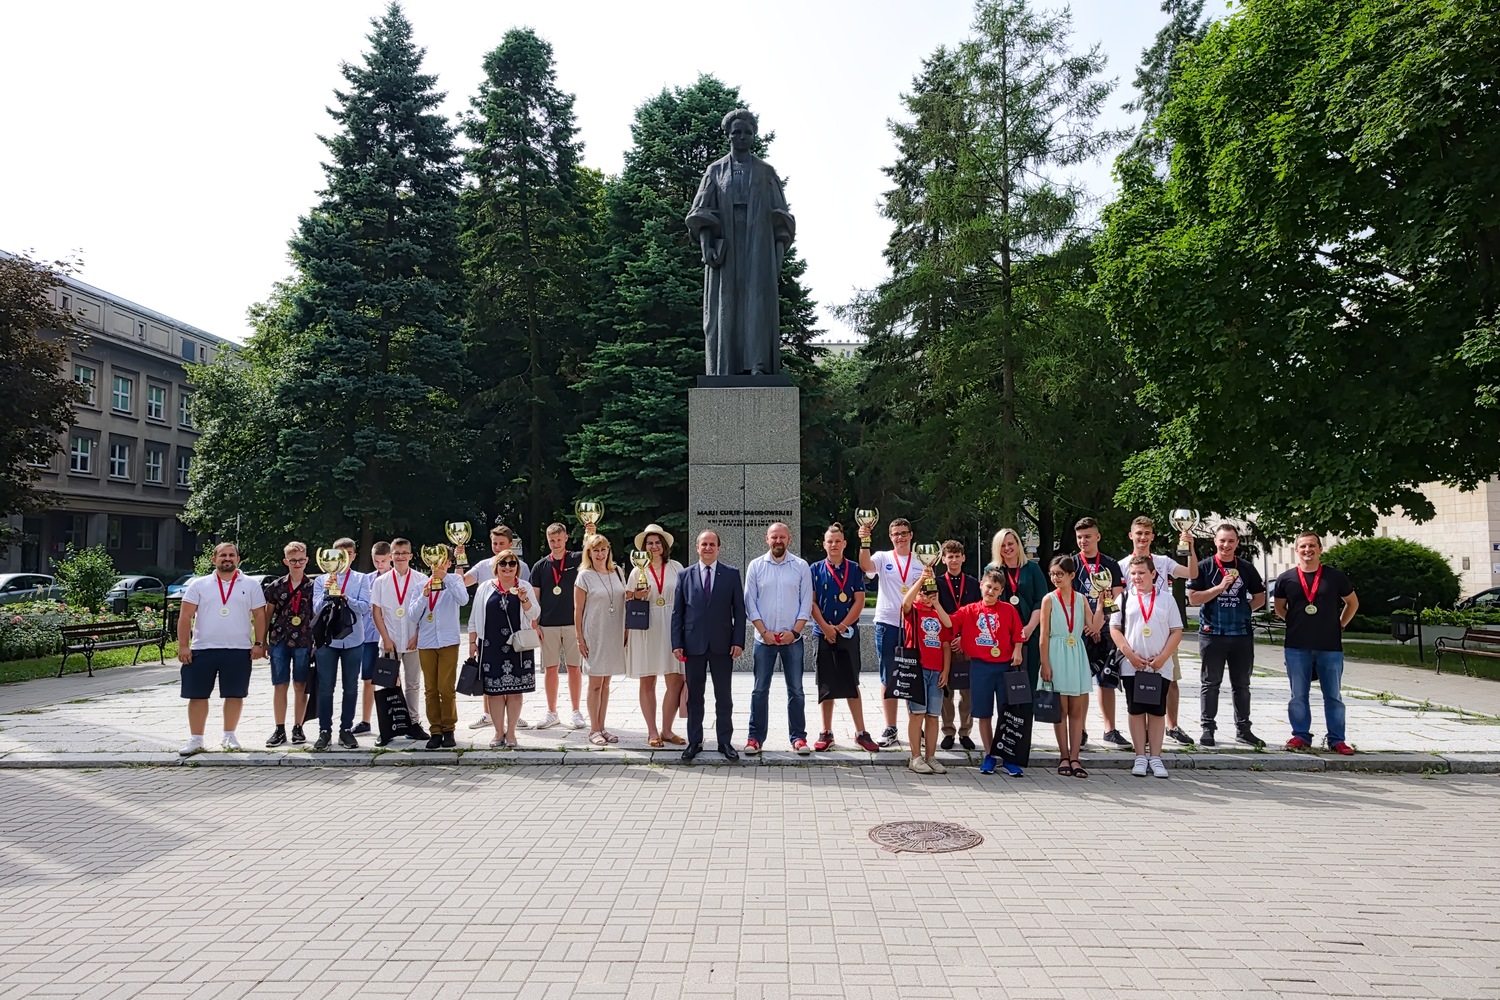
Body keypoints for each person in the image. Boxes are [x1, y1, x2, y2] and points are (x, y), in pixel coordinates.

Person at [684, 107, 796, 377]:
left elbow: (781, 218)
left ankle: (758, 365)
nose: (742, 137)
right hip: (727, 247)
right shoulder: (715, 171)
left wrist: (777, 257)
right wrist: (706, 246)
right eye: (737, 132)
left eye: (748, 132)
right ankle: (725, 366)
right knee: (726, 303)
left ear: (754, 135)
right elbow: (700, 212)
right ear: (728, 136)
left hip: (759, 245)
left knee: (756, 302)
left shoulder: (765, 172)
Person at [176, 542, 268, 755]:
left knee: (234, 694)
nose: (227, 559)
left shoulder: (251, 584)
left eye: (232, 555)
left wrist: (258, 643)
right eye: (223, 555)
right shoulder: (199, 584)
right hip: (202, 648)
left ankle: (229, 735)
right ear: (214, 559)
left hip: (238, 649)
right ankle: (196, 739)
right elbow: (185, 616)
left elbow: (260, 615)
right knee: (197, 695)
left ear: (238, 559)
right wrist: (183, 645)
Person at [1273, 532, 1359, 755]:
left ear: (1320, 549)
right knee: (1298, 695)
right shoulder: (1286, 579)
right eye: (1303, 546)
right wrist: (1295, 622)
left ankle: (1337, 739)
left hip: (1329, 646)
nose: (1307, 550)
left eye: (1312, 546)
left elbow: (1352, 603)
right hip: (1296, 645)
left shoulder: (1335, 577)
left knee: (1333, 696)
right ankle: (1300, 736)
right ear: (1296, 550)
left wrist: (1340, 625)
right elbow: (1280, 608)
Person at [1188, 523, 1267, 747]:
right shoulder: (1204, 567)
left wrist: (1242, 611)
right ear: (1215, 541)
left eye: (1231, 541)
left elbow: (1259, 598)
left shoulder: (1246, 568)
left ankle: (1244, 730)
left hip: (1241, 634)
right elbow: (1193, 599)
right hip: (1212, 633)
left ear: (1237, 543)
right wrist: (1219, 588)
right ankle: (1207, 729)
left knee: (1242, 684)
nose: (1226, 545)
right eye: (1222, 540)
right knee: (1210, 683)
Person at [671, 529, 746, 761]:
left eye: (712, 544)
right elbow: (678, 613)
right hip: (693, 645)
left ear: (719, 548)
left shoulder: (731, 575)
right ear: (697, 547)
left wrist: (738, 641)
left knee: (724, 696)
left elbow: (740, 612)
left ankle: (725, 742)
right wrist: (677, 643)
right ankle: (694, 741)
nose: (708, 548)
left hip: (723, 645)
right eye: (704, 544)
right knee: (695, 697)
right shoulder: (685, 575)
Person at [1122, 516, 1198, 745]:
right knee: (1135, 683)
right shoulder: (1123, 564)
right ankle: (1141, 731)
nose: (1142, 538)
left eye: (1147, 533)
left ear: (1152, 536)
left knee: (1170, 680)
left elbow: (1192, 573)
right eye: (1139, 533)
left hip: (1163, 631)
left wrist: (1191, 547)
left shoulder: (1163, 562)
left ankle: (1171, 725)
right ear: (1131, 536)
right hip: (1134, 631)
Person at [1111, 555, 1186, 778]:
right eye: (1133, 573)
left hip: (1159, 666)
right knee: (1135, 710)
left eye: (1142, 573)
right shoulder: (1123, 599)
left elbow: (1176, 630)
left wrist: (1164, 657)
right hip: (1132, 665)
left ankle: (1156, 756)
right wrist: (1129, 654)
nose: (1137, 577)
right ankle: (1139, 756)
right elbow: (1115, 629)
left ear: (1153, 574)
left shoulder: (1166, 599)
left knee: (1156, 711)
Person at [807, 523, 879, 752]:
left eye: (838, 541)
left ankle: (861, 732)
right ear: (824, 544)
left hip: (847, 633)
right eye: (830, 541)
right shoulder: (815, 569)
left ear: (844, 543)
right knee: (826, 684)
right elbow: (812, 602)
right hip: (822, 633)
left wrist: (841, 626)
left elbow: (859, 600)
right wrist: (826, 628)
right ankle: (826, 732)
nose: (834, 545)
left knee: (851, 682)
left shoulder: (855, 569)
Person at [744, 521, 813, 754]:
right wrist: (764, 632)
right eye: (774, 537)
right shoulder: (755, 566)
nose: (778, 541)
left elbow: (806, 603)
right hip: (764, 640)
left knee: (796, 690)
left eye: (782, 537)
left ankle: (798, 738)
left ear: (789, 539)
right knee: (759, 690)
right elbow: (749, 603)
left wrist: (794, 632)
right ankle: (755, 738)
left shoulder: (801, 566)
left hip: (792, 640)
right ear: (767, 539)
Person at [950, 569, 1025, 775]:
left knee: (1006, 712)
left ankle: (1008, 756)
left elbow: (1018, 633)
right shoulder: (969, 610)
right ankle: (990, 754)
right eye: (988, 587)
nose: (991, 591)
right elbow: (949, 623)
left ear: (1001, 591)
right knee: (983, 713)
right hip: (980, 666)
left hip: (1004, 667)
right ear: (981, 585)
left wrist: (1017, 651)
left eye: (996, 589)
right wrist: (935, 605)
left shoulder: (1008, 610)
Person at [986, 528, 1048, 770]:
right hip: (1000, 641)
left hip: (1029, 637)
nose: (1008, 548)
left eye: (1011, 543)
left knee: (1024, 694)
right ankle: (999, 747)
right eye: (1003, 545)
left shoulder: (1032, 569)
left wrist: (1028, 629)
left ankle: (1020, 751)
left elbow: (1040, 601)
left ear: (1018, 545)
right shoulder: (992, 571)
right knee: (1003, 696)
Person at [468, 549, 541, 749]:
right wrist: (472, 643)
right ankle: (498, 732)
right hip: (491, 645)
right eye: (503, 563)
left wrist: (525, 599)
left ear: (517, 567)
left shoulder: (523, 586)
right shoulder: (485, 587)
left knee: (516, 692)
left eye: (512, 563)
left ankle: (511, 733)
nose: (508, 567)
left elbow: (535, 614)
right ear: (496, 567)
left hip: (518, 646)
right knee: (494, 692)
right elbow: (474, 618)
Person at [857, 516, 919, 747]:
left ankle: (916, 724)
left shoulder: (922, 559)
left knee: (914, 673)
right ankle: (891, 726)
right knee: (889, 674)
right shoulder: (883, 557)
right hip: (887, 622)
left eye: (904, 533)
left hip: (914, 624)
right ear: (890, 537)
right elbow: (866, 567)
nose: (900, 537)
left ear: (911, 535)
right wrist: (864, 541)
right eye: (896, 534)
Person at [464, 525, 533, 731]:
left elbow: (532, 610)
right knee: (492, 688)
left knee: (515, 689)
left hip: (516, 640)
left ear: (511, 545)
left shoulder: (523, 570)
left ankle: (511, 726)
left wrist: (531, 616)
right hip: (491, 640)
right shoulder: (483, 572)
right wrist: (460, 560)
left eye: (501, 544)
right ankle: (493, 722)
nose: (507, 565)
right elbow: (462, 584)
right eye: (494, 543)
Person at [623, 524, 686, 747]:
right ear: (644, 547)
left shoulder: (676, 567)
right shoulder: (636, 570)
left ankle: (667, 729)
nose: (654, 546)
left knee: (675, 680)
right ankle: (652, 731)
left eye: (657, 542)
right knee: (647, 680)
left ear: (664, 545)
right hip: (646, 627)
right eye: (649, 543)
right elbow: (628, 599)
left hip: (671, 624)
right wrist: (638, 595)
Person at [1039, 555, 1102, 778]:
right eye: (1052, 574)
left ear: (1071, 575)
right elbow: (1043, 635)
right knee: (1061, 710)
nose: (1055, 578)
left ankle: (1075, 757)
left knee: (1076, 710)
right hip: (1056, 653)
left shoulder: (1082, 599)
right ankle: (1063, 755)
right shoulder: (1049, 599)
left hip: (1076, 654)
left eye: (1060, 574)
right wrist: (1044, 663)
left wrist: (1103, 603)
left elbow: (1094, 626)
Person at [311, 537, 373, 751]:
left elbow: (365, 608)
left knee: (351, 687)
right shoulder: (321, 580)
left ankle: (345, 730)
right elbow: (315, 609)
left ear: (353, 556)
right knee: (326, 687)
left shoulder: (362, 579)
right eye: (338, 555)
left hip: (353, 639)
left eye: (347, 554)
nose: (343, 559)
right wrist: (329, 592)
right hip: (328, 640)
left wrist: (346, 598)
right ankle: (324, 731)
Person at [527, 522, 587, 731]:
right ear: (548, 540)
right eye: (552, 540)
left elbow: (594, 552)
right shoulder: (540, 566)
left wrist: (590, 531)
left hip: (572, 623)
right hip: (548, 625)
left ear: (566, 538)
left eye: (559, 540)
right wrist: (535, 624)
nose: (556, 544)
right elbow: (535, 598)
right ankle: (552, 712)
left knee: (574, 668)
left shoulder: (577, 559)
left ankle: (576, 711)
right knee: (550, 669)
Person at [369, 537, 430, 743]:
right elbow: (376, 612)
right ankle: (386, 728)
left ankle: (413, 723)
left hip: (414, 641)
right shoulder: (381, 581)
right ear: (391, 556)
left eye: (404, 553)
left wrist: (418, 635)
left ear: (411, 556)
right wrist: (385, 638)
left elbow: (427, 611)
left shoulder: (421, 579)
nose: (400, 557)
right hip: (389, 642)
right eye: (396, 553)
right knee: (387, 685)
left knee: (413, 684)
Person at [1073, 517, 1127, 747]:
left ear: (1098, 537)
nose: (1083, 541)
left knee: (1106, 680)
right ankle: (1081, 729)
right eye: (1079, 537)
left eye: (1087, 536)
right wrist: (1088, 624)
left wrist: (1100, 622)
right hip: (1080, 629)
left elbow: (1116, 596)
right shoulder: (1072, 563)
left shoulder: (1110, 564)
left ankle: (1109, 729)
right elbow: (1070, 597)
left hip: (1106, 630)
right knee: (1081, 682)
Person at [413, 547, 469, 749]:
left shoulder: (454, 580)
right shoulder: (420, 584)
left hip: (448, 641)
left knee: (446, 687)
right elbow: (412, 615)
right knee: (430, 688)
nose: (437, 564)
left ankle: (449, 729)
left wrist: (445, 578)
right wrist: (424, 596)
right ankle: (435, 730)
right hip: (427, 642)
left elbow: (463, 600)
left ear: (448, 562)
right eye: (434, 561)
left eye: (442, 561)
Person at [576, 533, 628, 745]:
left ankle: (603, 726)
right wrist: (579, 638)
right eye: (595, 550)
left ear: (609, 550)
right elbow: (578, 609)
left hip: (614, 631)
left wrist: (626, 630)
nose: (600, 553)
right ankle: (593, 730)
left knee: (607, 683)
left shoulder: (617, 571)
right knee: (596, 682)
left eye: (603, 549)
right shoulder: (584, 576)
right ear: (589, 552)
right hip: (594, 632)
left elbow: (625, 599)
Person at [900, 569, 952, 773]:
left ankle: (931, 756)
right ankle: (915, 757)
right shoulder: (913, 610)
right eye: (923, 592)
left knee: (933, 715)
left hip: (936, 671)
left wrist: (946, 671)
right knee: (917, 714)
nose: (927, 596)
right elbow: (905, 602)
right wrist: (921, 579)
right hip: (917, 669)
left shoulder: (939, 613)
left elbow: (946, 643)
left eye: (931, 592)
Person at [262, 541, 314, 747]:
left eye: (301, 560)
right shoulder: (275, 587)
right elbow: (267, 615)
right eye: (293, 560)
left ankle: (298, 727)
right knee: (279, 684)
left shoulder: (314, 586)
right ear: (286, 561)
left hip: (304, 639)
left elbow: (317, 615)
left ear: (307, 560)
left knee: (300, 684)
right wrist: (262, 641)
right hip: (279, 639)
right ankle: (279, 728)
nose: (297, 563)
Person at [934, 539, 979, 750]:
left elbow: (977, 613)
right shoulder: (936, 582)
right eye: (949, 556)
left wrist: (964, 638)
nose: (953, 560)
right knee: (946, 690)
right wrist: (949, 638)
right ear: (943, 559)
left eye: (956, 556)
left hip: (967, 642)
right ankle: (948, 730)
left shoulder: (972, 583)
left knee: (967, 691)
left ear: (963, 558)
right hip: (944, 643)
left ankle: (965, 731)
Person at [354, 540, 392, 736]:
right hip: (369, 636)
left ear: (391, 558)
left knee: (393, 679)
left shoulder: (396, 579)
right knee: (368, 678)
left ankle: (395, 719)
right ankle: (365, 721)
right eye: (376, 561)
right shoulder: (366, 580)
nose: (380, 565)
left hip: (392, 636)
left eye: (383, 561)